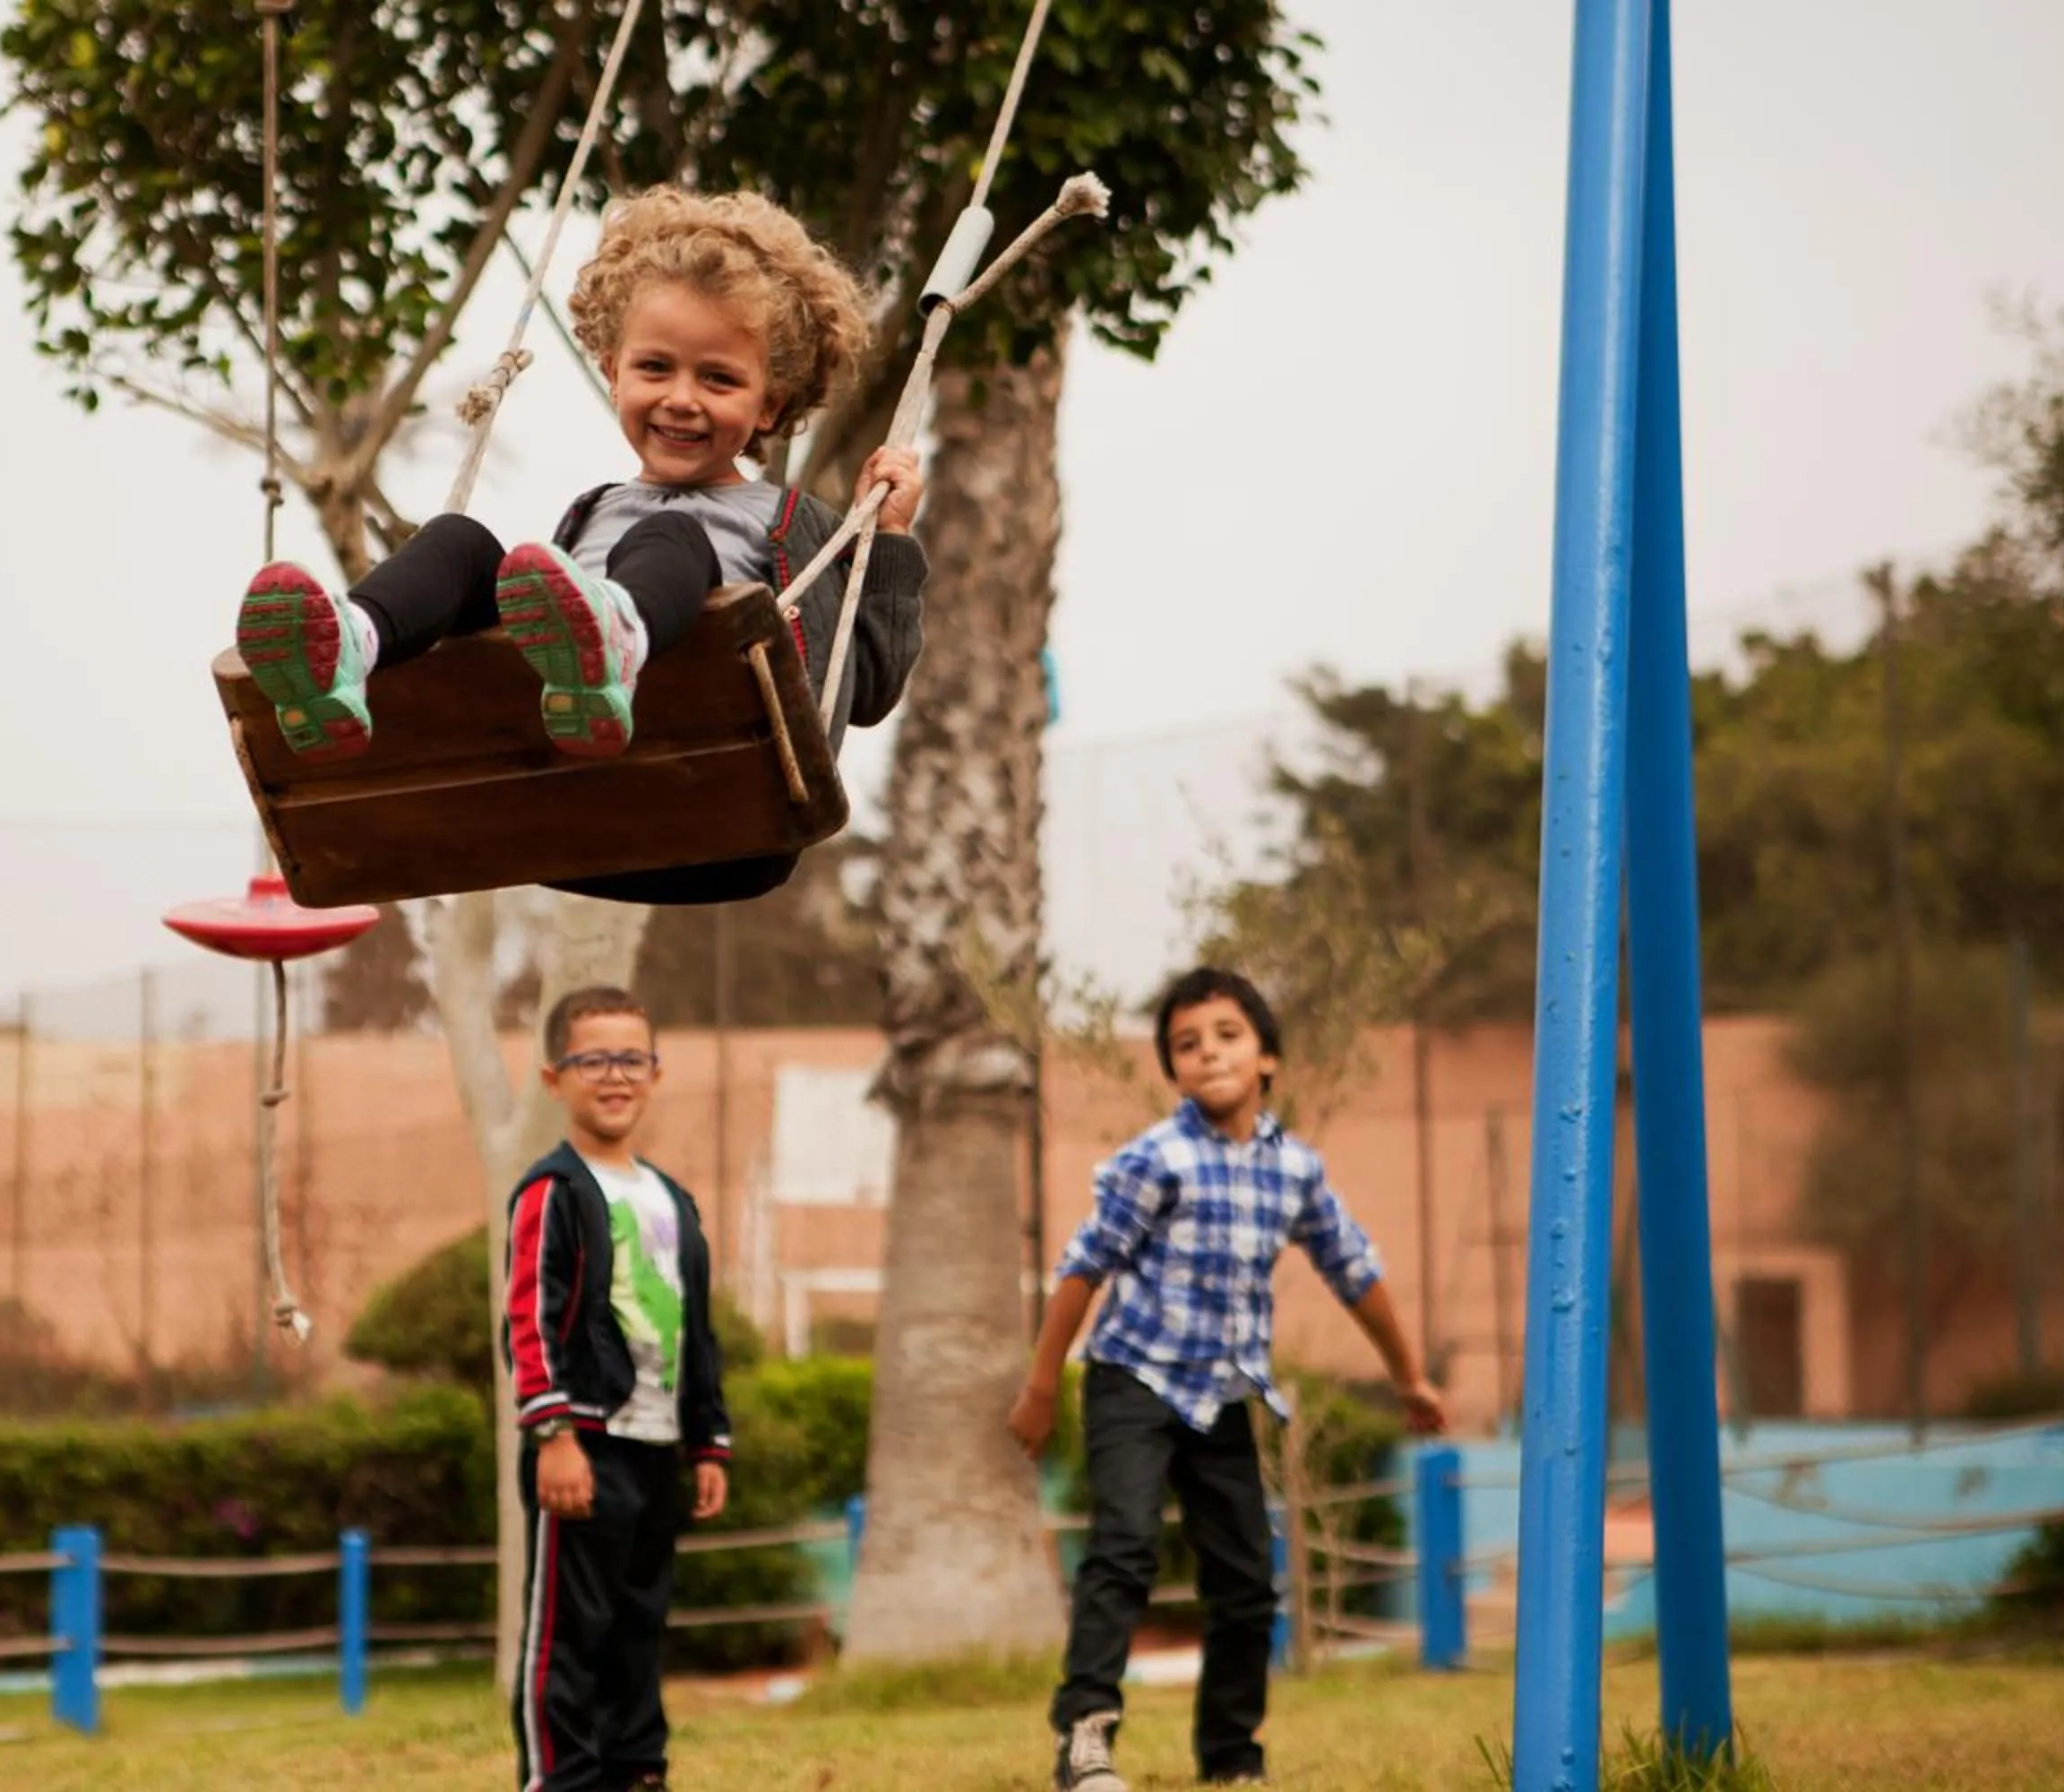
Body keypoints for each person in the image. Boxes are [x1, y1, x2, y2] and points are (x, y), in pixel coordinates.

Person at [233, 185, 925, 768]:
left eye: (718, 379)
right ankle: (348, 645)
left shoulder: (792, 524)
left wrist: (890, 539)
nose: (682, 398)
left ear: (768, 404)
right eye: (655, 368)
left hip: (712, 765)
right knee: (458, 541)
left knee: (670, 535)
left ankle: (619, 641)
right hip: (563, 763)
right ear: (614, 373)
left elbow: (866, 690)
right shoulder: (594, 512)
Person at [1009, 967, 1449, 1792]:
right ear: (1174, 1071)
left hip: (1222, 1396)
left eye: (1227, 1036)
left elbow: (1354, 1271)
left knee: (1247, 1580)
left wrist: (1410, 1378)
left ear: (1267, 1057)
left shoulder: (1295, 1171)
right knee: (1125, 1547)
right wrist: (1040, 1388)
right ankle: (1085, 1738)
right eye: (1186, 1044)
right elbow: (1081, 1269)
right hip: (1132, 1379)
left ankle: (1231, 1754)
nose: (1208, 1053)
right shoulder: (1156, 1159)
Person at [503, 985, 732, 1792]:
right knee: (569, 1635)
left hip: (656, 1449)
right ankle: (561, 1779)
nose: (615, 1076)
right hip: (585, 1447)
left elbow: (695, 1329)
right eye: (593, 1059)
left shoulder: (674, 1201)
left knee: (639, 1626)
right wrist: (554, 1432)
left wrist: (707, 1440)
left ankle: (637, 1772)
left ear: (656, 1073)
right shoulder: (553, 1192)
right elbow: (529, 1318)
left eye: (631, 1059)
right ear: (554, 1077)